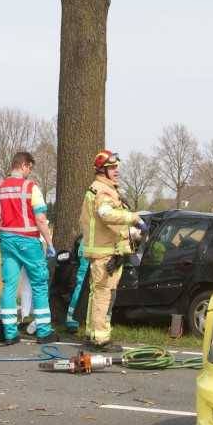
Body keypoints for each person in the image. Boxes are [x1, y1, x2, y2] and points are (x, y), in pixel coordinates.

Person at [0, 151, 56, 345]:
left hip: (7, 241)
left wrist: (0, 226)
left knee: (9, 285)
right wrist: (49, 243)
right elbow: (40, 219)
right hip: (29, 242)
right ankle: (43, 331)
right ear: (24, 165)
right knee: (39, 284)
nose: (29, 172)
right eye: (30, 168)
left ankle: (10, 333)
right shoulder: (30, 187)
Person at [78, 149, 145, 353]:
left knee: (97, 294)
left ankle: (92, 333)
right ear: (102, 170)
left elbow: (108, 224)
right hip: (105, 253)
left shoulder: (102, 188)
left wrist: (130, 234)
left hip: (106, 251)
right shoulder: (104, 191)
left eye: (117, 167)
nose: (117, 171)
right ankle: (101, 339)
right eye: (112, 168)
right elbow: (106, 214)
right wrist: (134, 218)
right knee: (104, 295)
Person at [63, 235, 89, 333]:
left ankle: (72, 321)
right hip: (93, 248)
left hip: (87, 246)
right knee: (83, 288)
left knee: (80, 287)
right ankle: (73, 321)